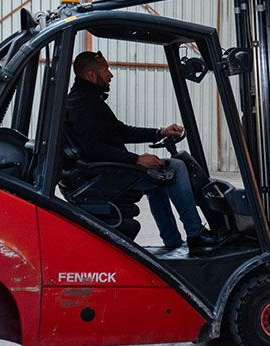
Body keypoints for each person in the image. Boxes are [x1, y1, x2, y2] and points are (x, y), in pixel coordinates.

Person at [64, 51, 218, 251]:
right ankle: (196, 234)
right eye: (106, 70)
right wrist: (136, 159)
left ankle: (172, 241)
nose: (111, 74)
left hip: (104, 170)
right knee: (177, 167)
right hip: (103, 174)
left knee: (158, 181)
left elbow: (121, 131)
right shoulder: (85, 105)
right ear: (91, 75)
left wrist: (159, 132)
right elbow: (94, 149)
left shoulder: (87, 100)